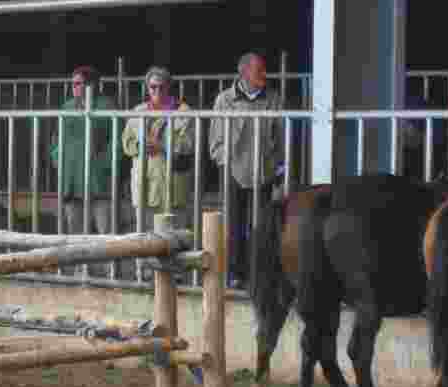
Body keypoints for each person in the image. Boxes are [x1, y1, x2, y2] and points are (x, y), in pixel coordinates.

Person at [209, 52, 283, 290]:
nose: (264, 74)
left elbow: (280, 137)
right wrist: (225, 164)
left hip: (264, 172)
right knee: (234, 224)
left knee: (262, 226)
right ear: (244, 73)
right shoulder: (225, 99)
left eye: (264, 69)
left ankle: (258, 275)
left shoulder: (274, 98)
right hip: (233, 171)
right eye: (258, 70)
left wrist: (278, 167)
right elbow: (215, 141)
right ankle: (235, 273)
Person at [121, 65, 195, 238]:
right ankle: (145, 267)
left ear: (169, 87)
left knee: (176, 238)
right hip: (144, 185)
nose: (157, 90)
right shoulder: (138, 111)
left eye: (162, 86)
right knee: (145, 239)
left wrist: (161, 145)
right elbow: (126, 143)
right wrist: (140, 147)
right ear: (147, 88)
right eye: (153, 87)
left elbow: (189, 144)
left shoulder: (183, 111)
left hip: (173, 186)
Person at [48, 65, 118, 238]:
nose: (75, 87)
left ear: (92, 84)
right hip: (71, 179)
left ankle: (109, 265)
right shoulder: (67, 106)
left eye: (79, 84)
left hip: (99, 181)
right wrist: (57, 158)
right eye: (73, 84)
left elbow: (117, 139)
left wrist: (105, 164)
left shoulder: (106, 105)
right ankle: (80, 265)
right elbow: (57, 137)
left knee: (106, 232)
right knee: (74, 232)